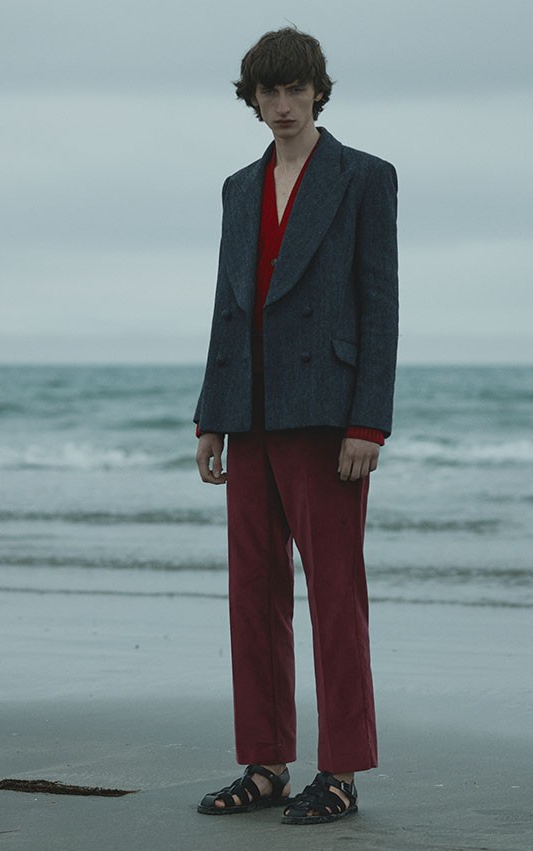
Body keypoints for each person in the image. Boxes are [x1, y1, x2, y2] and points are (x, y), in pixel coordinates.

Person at [193, 26, 398, 825]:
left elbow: (379, 306)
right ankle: (266, 764)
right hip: (247, 412)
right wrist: (211, 415)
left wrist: (368, 423)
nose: (283, 105)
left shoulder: (364, 177)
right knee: (253, 592)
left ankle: (339, 772)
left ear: (318, 90)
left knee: (335, 595)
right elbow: (227, 304)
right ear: (252, 100)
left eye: (295, 89)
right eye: (268, 92)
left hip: (326, 414)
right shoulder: (237, 188)